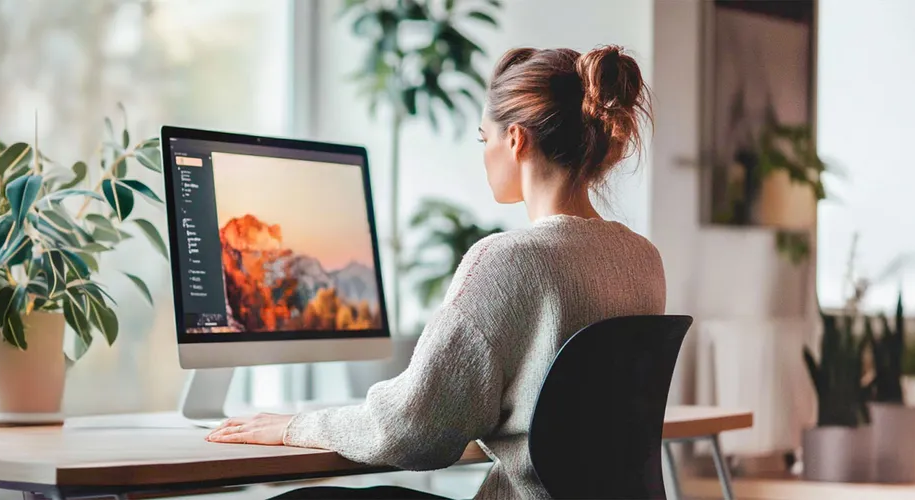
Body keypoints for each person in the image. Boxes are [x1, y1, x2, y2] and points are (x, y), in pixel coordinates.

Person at [207, 45, 666, 500]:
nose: (483, 153)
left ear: (515, 140)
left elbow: (413, 432)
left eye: (483, 139)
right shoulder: (644, 260)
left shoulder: (509, 261)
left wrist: (295, 426)